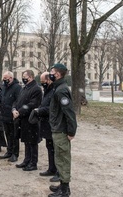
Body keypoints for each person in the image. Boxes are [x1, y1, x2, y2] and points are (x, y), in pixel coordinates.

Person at [48, 64, 77, 197]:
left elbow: (69, 112)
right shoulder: (58, 88)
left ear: (58, 74)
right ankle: (62, 184)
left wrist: (71, 131)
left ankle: (65, 190)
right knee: (59, 157)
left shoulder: (61, 90)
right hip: (57, 128)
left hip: (61, 130)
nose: (50, 74)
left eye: (52, 72)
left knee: (63, 158)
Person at [12, 70, 42, 171]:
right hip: (23, 120)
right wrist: (14, 109)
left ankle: (33, 163)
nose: (23, 78)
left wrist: (19, 112)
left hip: (31, 119)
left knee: (32, 142)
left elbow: (32, 104)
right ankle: (26, 160)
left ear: (30, 77)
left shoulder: (36, 89)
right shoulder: (24, 88)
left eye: (24, 76)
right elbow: (17, 100)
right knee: (26, 141)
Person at [31, 72, 57, 178]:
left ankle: (57, 171)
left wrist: (39, 110)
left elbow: (52, 108)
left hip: (53, 124)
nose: (42, 84)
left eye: (43, 81)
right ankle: (51, 168)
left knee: (55, 149)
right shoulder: (47, 90)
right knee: (49, 147)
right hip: (46, 123)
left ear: (48, 80)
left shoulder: (54, 91)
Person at [0, 71, 21, 162]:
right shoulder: (4, 87)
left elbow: (18, 100)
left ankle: (15, 154)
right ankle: (9, 151)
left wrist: (14, 109)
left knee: (14, 135)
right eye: (3, 79)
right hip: (4, 114)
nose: (4, 80)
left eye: (5, 79)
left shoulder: (17, 87)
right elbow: (0, 96)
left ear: (11, 78)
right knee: (8, 134)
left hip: (12, 115)